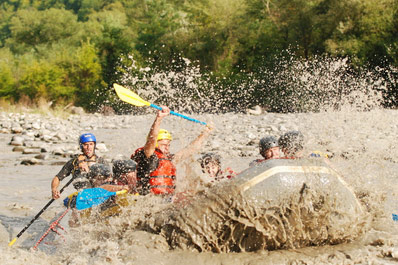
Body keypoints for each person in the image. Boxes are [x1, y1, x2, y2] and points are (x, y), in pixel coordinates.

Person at [131, 105, 212, 196]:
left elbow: (190, 150)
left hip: (166, 198)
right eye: (164, 145)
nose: (167, 148)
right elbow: (152, 139)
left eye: (169, 145)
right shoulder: (148, 154)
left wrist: (205, 133)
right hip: (148, 197)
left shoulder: (169, 158)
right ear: (156, 145)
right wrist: (159, 118)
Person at [51, 133, 105, 199]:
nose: (89, 148)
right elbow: (57, 178)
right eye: (86, 145)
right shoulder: (74, 162)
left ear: (94, 145)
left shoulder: (101, 161)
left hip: (99, 192)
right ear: (81, 146)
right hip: (83, 194)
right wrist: (54, 190)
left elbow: (109, 179)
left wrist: (89, 171)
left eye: (91, 144)